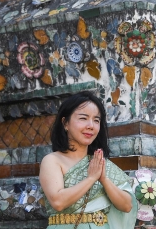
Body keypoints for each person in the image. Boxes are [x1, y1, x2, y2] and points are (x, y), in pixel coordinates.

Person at [40, 91, 137, 228]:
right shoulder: (52, 160)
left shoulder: (99, 163)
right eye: (83, 118)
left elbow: (127, 206)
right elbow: (58, 202)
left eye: (96, 120)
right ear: (65, 123)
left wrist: (104, 179)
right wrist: (91, 179)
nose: (91, 125)